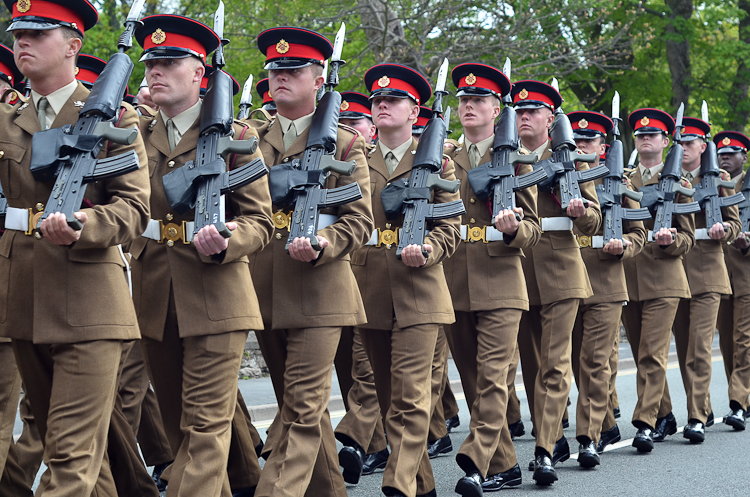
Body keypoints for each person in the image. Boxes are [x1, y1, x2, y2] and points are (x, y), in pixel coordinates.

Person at [0, 1, 151, 495]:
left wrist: (87, 223)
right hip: (23, 298)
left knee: (68, 454)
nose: (22, 41)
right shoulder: (7, 119)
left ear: (73, 45)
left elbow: (133, 209)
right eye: (18, 31)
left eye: (37, 33)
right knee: (79, 453)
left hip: (89, 299)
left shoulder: (115, 116)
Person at [131, 14, 273, 497]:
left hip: (217, 294)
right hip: (154, 295)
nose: (155, 72)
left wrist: (232, 237)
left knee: (203, 431)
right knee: (178, 427)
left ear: (199, 73)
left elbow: (260, 221)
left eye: (170, 62)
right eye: (151, 62)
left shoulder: (236, 137)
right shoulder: (133, 133)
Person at [247, 26, 374, 497]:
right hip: (263, 286)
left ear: (318, 77)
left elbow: (358, 221)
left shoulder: (344, 145)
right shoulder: (248, 140)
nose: (280, 77)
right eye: (274, 70)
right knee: (303, 408)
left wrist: (323, 240)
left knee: (300, 411)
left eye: (293, 70)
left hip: (320, 289)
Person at [352, 62, 461, 497]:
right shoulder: (355, 158)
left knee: (413, 396)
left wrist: (430, 248)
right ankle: (422, 487)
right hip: (372, 288)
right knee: (387, 399)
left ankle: (397, 484)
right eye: (377, 100)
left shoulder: (438, 162)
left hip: (421, 288)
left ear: (415, 112)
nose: (381, 106)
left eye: (392, 100)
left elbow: (452, 224)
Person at [441, 62, 539, 495]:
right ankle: (506, 465)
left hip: (500, 278)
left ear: (496, 109)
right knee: (472, 379)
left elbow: (533, 225)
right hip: (454, 279)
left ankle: (475, 459)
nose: (468, 107)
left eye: (477, 100)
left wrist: (514, 227)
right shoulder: (443, 157)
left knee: (495, 376)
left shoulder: (515, 160)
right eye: (463, 100)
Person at [512, 80, 602, 485]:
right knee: (531, 364)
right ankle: (552, 432)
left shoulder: (569, 157)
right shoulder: (503, 157)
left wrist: (579, 211)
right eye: (518, 111)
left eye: (532, 111)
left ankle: (545, 448)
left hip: (561, 270)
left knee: (554, 362)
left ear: (551, 118)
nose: (524, 116)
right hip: (516, 269)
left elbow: (595, 219)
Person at [567, 110, 647, 463]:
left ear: (602, 146)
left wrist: (624, 246)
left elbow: (639, 234)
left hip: (605, 280)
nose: (582, 144)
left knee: (596, 361)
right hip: (567, 281)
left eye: (589, 140)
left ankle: (588, 436)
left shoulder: (617, 182)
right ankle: (607, 421)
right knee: (574, 363)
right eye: (577, 139)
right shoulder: (560, 175)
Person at [660, 118, 740, 443]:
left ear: (703, 147)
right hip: (676, 270)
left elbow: (734, 223)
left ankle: (695, 418)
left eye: (690, 143)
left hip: (708, 271)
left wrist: (724, 232)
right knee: (682, 349)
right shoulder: (669, 177)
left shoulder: (718, 179)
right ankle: (702, 407)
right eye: (679, 142)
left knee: (699, 348)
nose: (684, 148)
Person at [621, 108, 695, 452]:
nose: (645, 139)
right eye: (640, 135)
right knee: (639, 353)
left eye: (652, 135)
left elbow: (688, 238)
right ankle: (664, 413)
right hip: (630, 277)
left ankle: (645, 423)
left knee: (651, 353)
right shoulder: (623, 179)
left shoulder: (679, 182)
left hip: (665, 278)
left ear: (666, 142)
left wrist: (670, 241)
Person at [333, 89, 389, 483]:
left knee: (369, 370)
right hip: (350, 273)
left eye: (355, 125)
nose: (349, 130)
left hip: (391, 278)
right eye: (345, 124)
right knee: (353, 370)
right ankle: (379, 444)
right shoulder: (345, 157)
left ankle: (354, 438)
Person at [715, 130, 750, 430]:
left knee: (744, 340)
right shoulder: (712, 184)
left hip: (747, 272)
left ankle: (738, 402)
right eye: (721, 153)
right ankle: (743, 394)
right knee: (727, 341)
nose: (725, 157)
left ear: (744, 157)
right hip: (719, 272)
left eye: (732, 153)